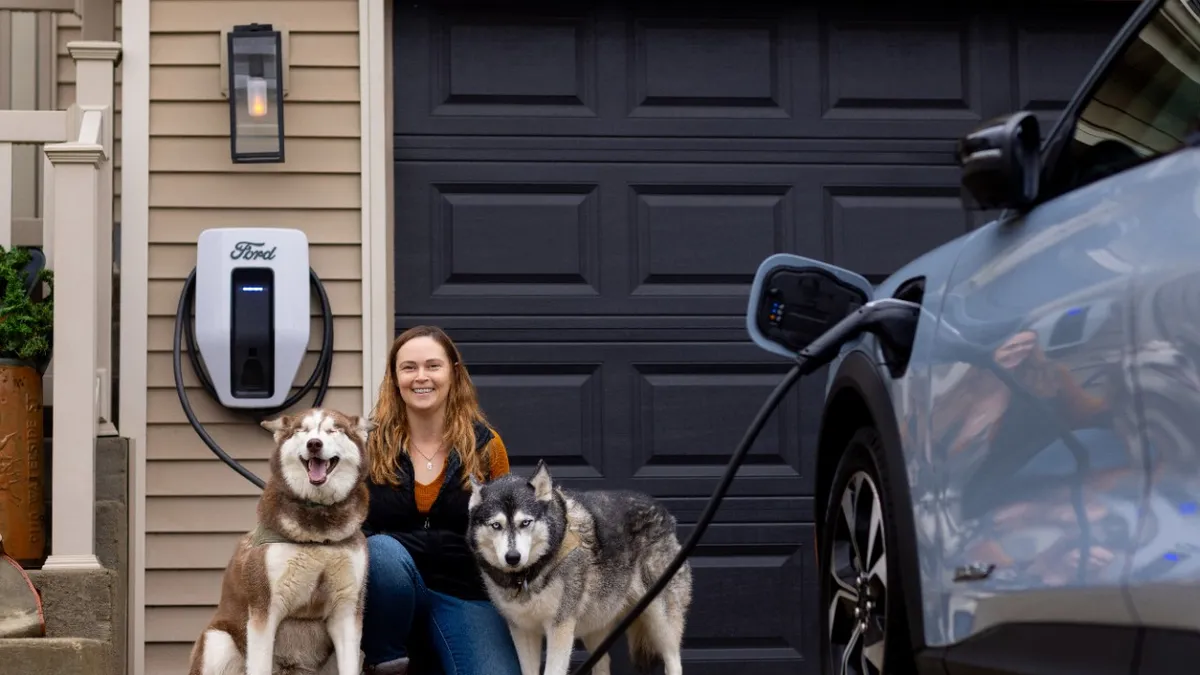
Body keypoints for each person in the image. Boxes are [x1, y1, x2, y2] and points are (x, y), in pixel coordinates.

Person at [360, 325, 522, 675]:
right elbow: (353, 526)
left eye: (433, 366)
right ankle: (386, 661)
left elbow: (508, 528)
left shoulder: (485, 445)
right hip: (387, 595)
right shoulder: (369, 446)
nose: (421, 377)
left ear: (453, 373)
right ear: (394, 377)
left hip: (464, 591)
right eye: (409, 367)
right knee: (381, 552)